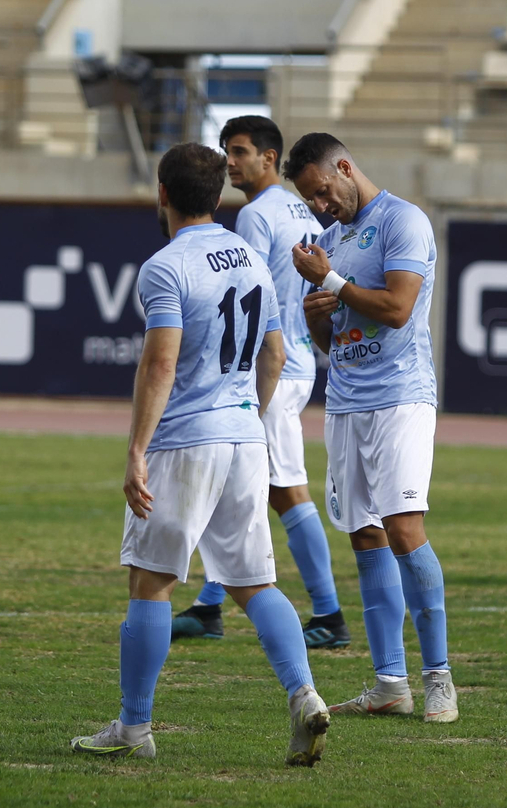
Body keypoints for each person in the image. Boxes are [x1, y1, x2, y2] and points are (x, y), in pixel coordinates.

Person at [71, 142, 330, 765]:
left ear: (162, 193)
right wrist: (251, 411)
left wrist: (136, 450)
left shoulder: (165, 266)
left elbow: (160, 361)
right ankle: (305, 695)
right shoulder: (251, 258)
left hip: (186, 443)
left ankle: (134, 729)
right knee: (255, 584)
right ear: (218, 196)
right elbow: (274, 354)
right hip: (245, 438)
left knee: (151, 582)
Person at [284, 133, 458, 723]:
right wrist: (317, 321)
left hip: (401, 398)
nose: (319, 206)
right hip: (346, 402)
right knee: (364, 535)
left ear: (345, 167)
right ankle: (390, 682)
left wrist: (329, 283)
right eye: (309, 200)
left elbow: (398, 308)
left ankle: (439, 677)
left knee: (404, 529)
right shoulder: (330, 242)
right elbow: (342, 341)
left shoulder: (402, 222)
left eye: (322, 191)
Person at [171, 116, 350, 649]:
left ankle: (330, 615)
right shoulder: (306, 208)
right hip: (298, 361)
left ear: (269, 158)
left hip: (271, 366)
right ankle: (208, 605)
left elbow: (247, 299)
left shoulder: (253, 216)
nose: (231, 161)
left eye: (241, 151)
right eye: (227, 150)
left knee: (286, 490)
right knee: (240, 485)